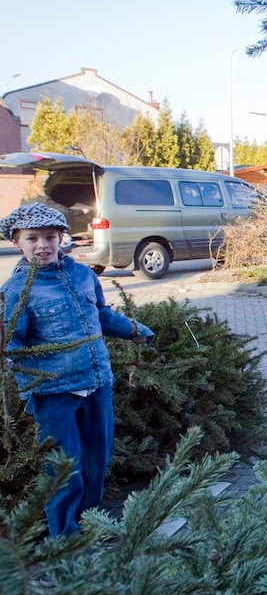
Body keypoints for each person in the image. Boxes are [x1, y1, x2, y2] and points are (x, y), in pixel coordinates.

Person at [0, 203, 154, 538]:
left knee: (98, 456)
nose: (43, 245)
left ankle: (92, 521)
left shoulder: (84, 275)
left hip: (96, 382)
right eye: (32, 238)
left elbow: (101, 315)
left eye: (50, 237)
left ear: (62, 238)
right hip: (53, 392)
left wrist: (134, 330)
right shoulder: (16, 290)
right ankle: (65, 538)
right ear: (17, 242)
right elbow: (10, 341)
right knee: (62, 464)